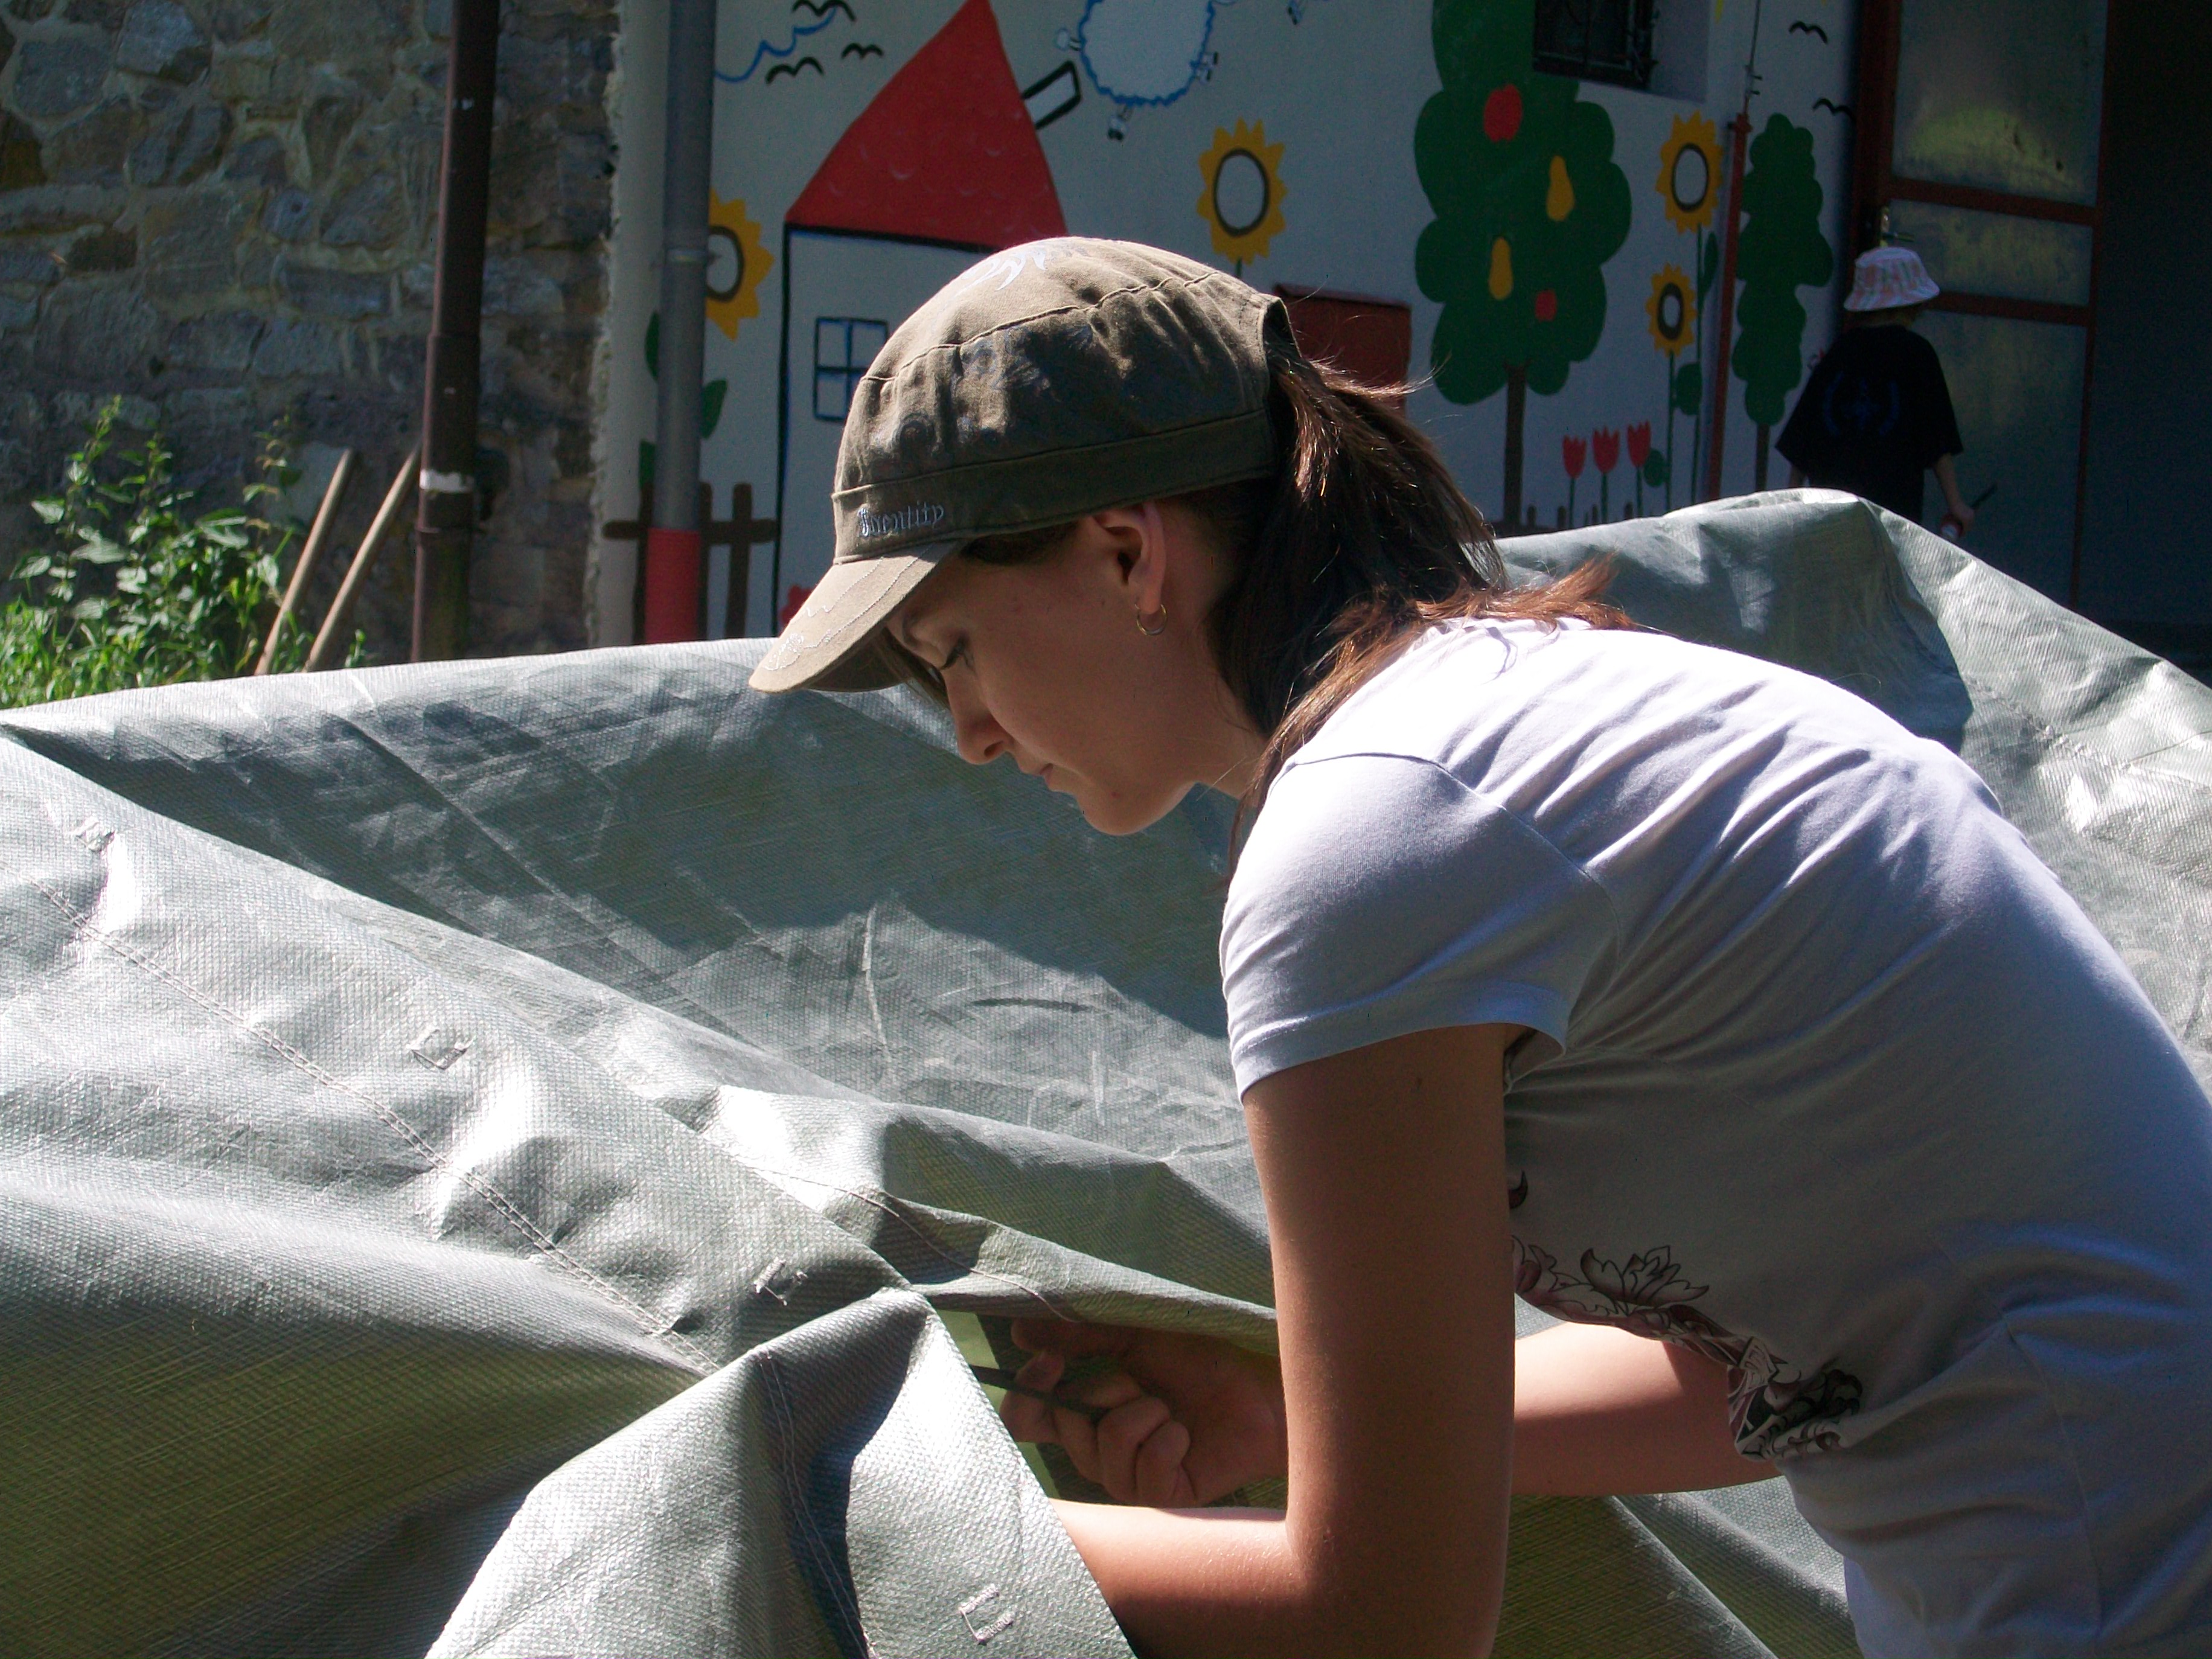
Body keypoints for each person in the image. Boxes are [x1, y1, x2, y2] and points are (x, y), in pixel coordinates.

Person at [750, 239, 2212, 1659]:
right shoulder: (1518, 712)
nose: (969, 733)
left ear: (1128, 553)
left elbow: (1380, 1618)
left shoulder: (1373, 833)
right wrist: (1287, 1418)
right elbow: (1792, 1367)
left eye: (952, 652)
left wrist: (852, 1517)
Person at [1777, 246, 1977, 539]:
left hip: (1829, 520)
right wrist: (1956, 504)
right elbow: (1937, 441)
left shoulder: (1839, 353)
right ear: (1911, 303)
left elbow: (1803, 442)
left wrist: (1790, 507)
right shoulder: (1917, 354)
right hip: (1892, 521)